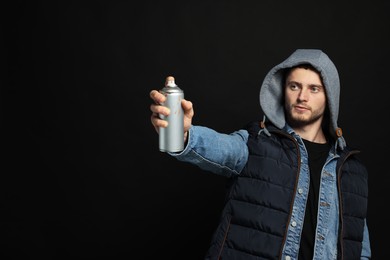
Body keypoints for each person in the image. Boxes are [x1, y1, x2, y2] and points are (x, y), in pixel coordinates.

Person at [149, 49, 371, 259]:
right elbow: (222, 149)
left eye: (314, 89)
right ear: (283, 90)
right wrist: (184, 134)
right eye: (294, 86)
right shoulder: (256, 142)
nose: (302, 96)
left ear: (330, 96)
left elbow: (359, 247)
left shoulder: (353, 171)